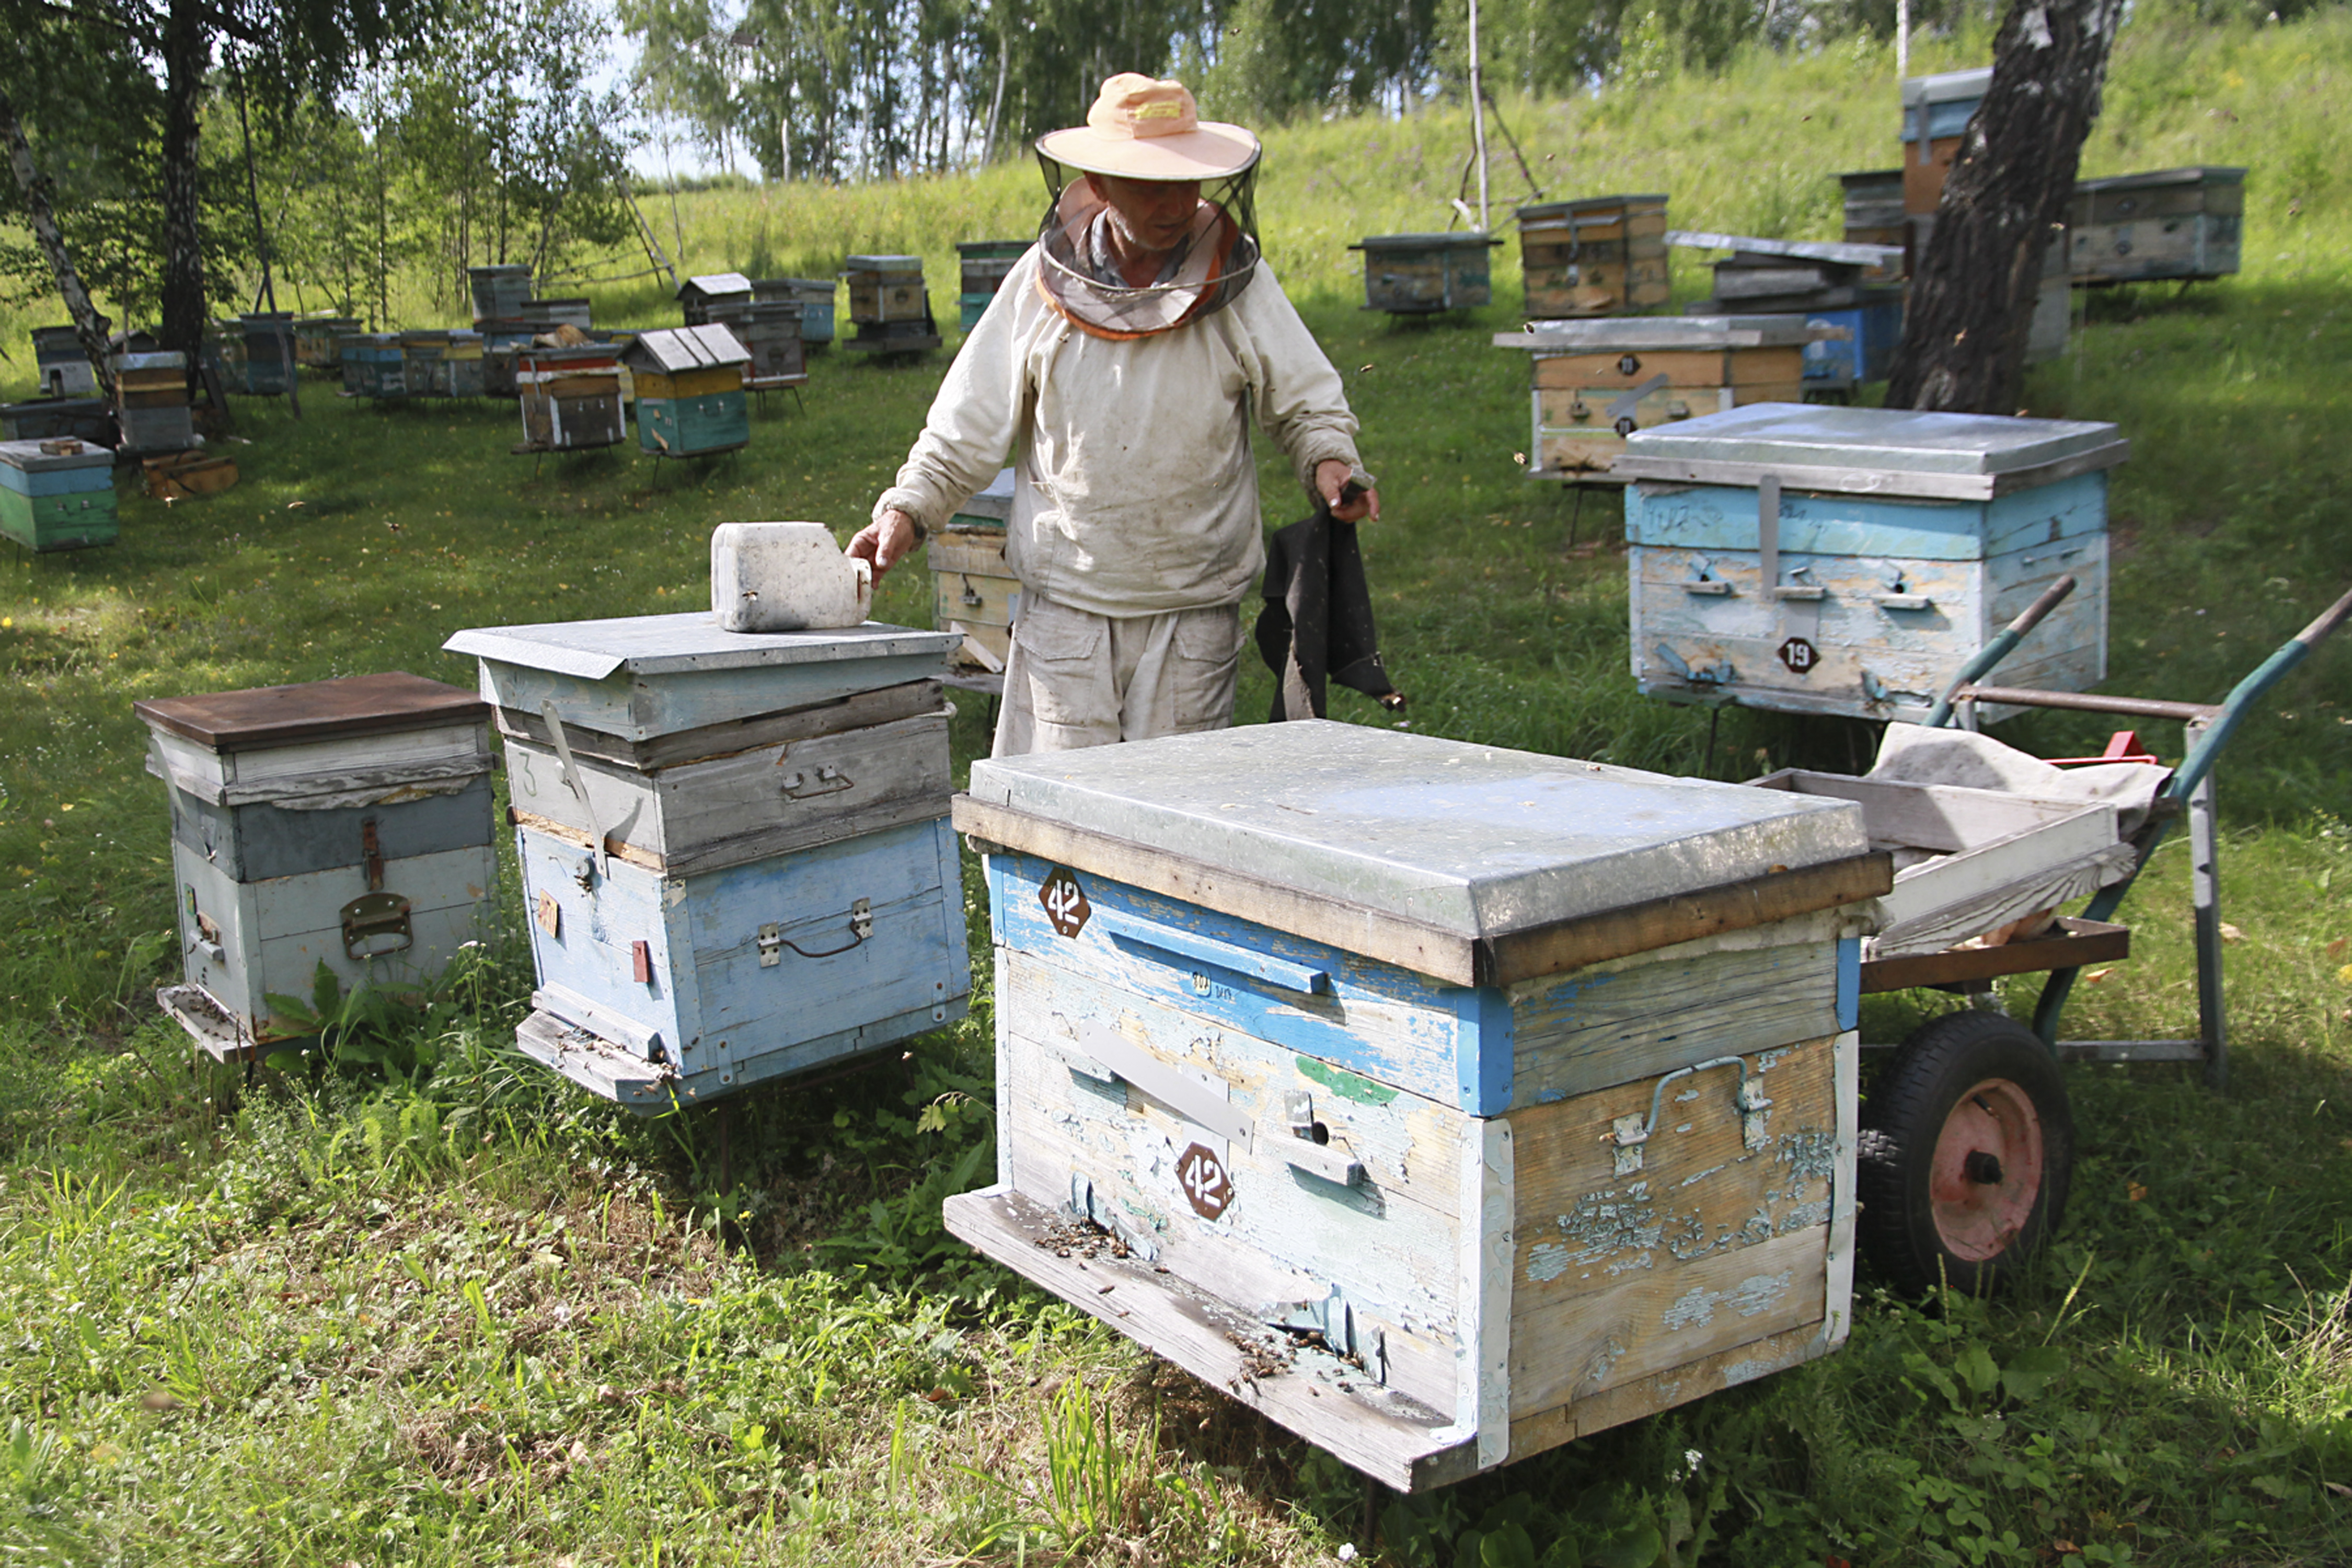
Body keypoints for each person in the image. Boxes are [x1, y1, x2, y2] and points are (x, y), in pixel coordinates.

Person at [849, 72, 1379, 757]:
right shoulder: (1040, 286)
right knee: (1068, 827)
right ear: (1098, 184)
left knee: (1169, 830)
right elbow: (967, 422)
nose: (1175, 204)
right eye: (1149, 184)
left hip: (1192, 617)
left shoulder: (1237, 282)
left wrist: (1330, 461)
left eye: (1186, 182)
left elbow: (1305, 396)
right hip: (1069, 612)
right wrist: (907, 511)